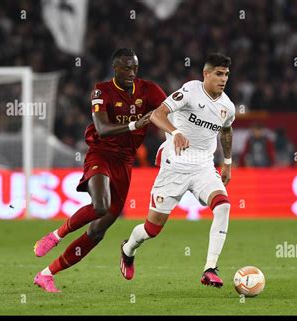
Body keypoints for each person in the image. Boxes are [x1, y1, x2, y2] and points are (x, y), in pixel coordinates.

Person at [32, 48, 167, 292]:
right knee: (100, 206)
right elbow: (103, 128)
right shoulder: (101, 90)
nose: (131, 73)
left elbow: (169, 109)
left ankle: (46, 274)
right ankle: (55, 236)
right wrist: (138, 122)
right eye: (126, 68)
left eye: (135, 68)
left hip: (125, 162)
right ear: (115, 68)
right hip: (101, 153)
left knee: (97, 231)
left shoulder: (147, 89)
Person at [119, 53, 235, 288]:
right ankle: (127, 248)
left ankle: (210, 268)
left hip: (203, 166)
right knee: (152, 229)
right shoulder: (190, 91)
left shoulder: (228, 106)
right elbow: (157, 114)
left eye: (226, 75)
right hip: (175, 165)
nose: (223, 79)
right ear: (206, 74)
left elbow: (226, 131)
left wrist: (228, 162)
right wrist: (176, 132)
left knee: (223, 205)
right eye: (219, 74)